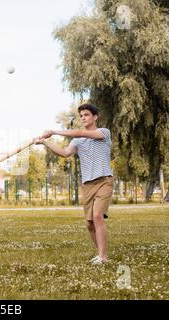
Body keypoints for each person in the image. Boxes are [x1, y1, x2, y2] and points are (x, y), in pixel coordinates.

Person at [34, 103, 114, 265]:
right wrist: (44, 142)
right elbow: (64, 153)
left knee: (97, 216)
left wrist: (54, 131)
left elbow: (80, 132)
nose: (83, 118)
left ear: (95, 117)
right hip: (88, 184)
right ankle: (100, 253)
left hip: (105, 180)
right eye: (81, 116)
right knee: (89, 223)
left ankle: (103, 257)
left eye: (86, 115)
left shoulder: (103, 133)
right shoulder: (78, 141)